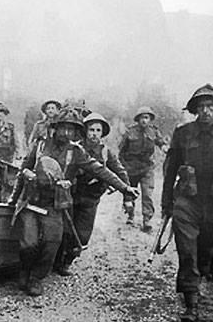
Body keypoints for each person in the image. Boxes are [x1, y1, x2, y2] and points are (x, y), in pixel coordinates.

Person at [8, 108, 138, 297]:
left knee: (52, 243)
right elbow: (23, 170)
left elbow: (101, 171)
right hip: (31, 201)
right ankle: (24, 271)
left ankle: (36, 278)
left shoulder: (76, 152)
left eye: (71, 130)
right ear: (55, 128)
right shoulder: (40, 146)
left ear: (76, 132)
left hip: (55, 205)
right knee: (28, 243)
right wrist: (15, 195)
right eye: (63, 129)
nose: (66, 133)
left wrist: (125, 188)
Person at [161, 83, 213, 322]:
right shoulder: (183, 133)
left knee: (206, 251)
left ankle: (199, 277)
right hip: (187, 201)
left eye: (210, 106)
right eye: (201, 106)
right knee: (187, 252)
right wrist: (166, 203)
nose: (205, 111)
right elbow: (171, 169)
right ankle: (191, 305)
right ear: (195, 109)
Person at [54, 112, 131, 276]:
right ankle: (56, 261)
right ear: (84, 131)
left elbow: (119, 172)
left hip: (91, 198)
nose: (94, 134)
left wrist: (127, 195)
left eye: (98, 130)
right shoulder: (74, 148)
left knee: (82, 235)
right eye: (91, 130)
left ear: (102, 133)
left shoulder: (106, 152)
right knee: (64, 230)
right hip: (71, 196)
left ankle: (67, 261)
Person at [119, 106, 166, 231]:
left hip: (147, 167)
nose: (144, 120)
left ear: (150, 119)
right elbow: (121, 150)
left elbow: (161, 142)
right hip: (131, 167)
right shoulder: (130, 132)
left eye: (147, 118)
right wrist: (123, 167)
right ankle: (130, 215)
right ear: (137, 119)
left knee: (148, 194)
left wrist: (165, 148)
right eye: (142, 118)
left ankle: (147, 220)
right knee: (130, 194)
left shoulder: (154, 131)